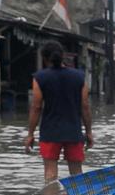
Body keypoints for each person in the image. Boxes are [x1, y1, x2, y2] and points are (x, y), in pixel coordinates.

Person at [24, 40, 92, 180]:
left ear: (44, 58)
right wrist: (89, 131)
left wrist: (30, 134)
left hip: (50, 131)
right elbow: (84, 106)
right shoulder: (79, 77)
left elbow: (36, 107)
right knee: (76, 173)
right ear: (63, 56)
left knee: (50, 174)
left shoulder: (40, 78)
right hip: (73, 130)